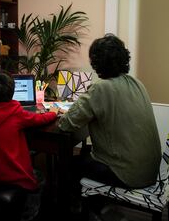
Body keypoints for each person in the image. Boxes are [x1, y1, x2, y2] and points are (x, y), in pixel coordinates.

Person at [58, 34, 161, 219]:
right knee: (86, 154)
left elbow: (66, 124)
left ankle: (81, 211)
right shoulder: (136, 83)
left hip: (128, 174)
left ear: (97, 63)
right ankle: (95, 202)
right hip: (150, 168)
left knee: (69, 164)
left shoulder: (101, 88)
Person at [0, 70, 58, 221]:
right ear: (11, 92)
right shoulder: (16, 113)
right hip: (11, 175)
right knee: (40, 177)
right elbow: (40, 120)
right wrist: (54, 112)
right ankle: (27, 214)